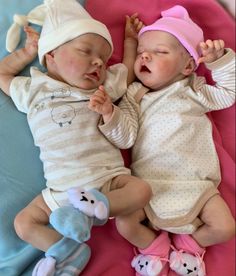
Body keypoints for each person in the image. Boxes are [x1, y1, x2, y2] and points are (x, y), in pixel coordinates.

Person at [0, 0, 152, 275]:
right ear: (52, 55)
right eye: (86, 51)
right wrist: (27, 52)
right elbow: (2, 73)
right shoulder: (34, 89)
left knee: (141, 190)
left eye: (105, 61)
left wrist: (130, 43)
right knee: (24, 224)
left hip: (108, 182)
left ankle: (99, 206)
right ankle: (67, 250)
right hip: (62, 191)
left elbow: (127, 73)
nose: (98, 62)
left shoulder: (103, 89)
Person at [89, 5, 236, 276]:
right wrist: (110, 114)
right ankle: (154, 249)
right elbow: (125, 137)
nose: (145, 55)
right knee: (125, 224)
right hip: (148, 187)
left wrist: (219, 61)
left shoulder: (194, 89)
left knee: (226, 227)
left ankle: (189, 245)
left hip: (196, 185)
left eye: (160, 52)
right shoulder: (135, 95)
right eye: (143, 51)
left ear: (188, 65)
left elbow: (228, 93)